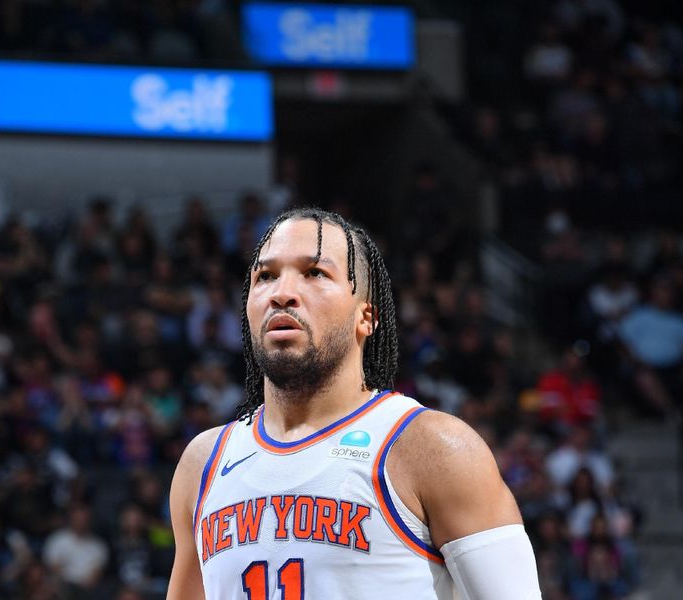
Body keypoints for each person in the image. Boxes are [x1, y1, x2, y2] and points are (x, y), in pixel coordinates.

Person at [167, 208, 541, 599]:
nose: (282, 292)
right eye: (266, 276)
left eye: (315, 273)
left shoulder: (432, 448)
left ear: (366, 317)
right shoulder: (202, 463)